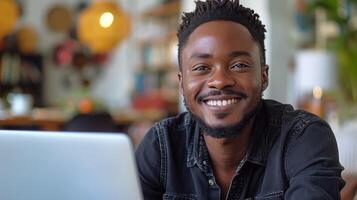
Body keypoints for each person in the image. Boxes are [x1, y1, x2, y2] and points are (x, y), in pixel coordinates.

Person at [135, 0, 345, 199]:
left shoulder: (303, 137)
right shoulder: (161, 147)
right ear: (181, 84)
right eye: (201, 68)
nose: (219, 81)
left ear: (264, 77)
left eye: (239, 65)